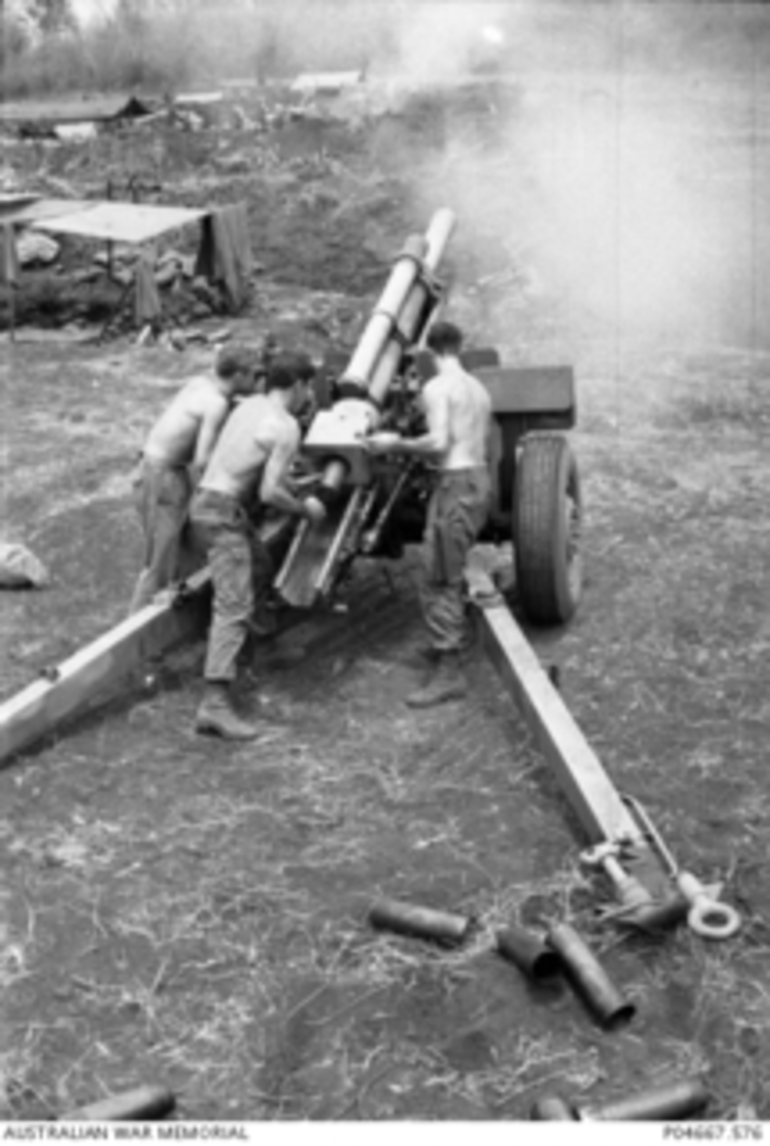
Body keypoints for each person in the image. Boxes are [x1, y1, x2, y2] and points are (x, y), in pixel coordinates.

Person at [190, 354, 326, 740]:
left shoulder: (248, 405)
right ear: (298, 386)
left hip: (206, 503)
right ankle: (214, 705)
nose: (308, 398)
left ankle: (259, 647)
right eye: (307, 390)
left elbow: (245, 465)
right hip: (223, 514)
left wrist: (293, 486)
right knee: (233, 605)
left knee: (261, 563)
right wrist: (305, 509)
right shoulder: (285, 427)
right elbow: (269, 492)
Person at [367, 320, 492, 708]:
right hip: (476, 480)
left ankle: (449, 670)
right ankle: (448, 646)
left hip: (454, 483)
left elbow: (439, 443)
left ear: (429, 351)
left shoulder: (437, 387)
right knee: (448, 567)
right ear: (459, 346)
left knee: (439, 576)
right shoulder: (479, 389)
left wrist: (394, 442)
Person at [128, 343, 258, 615]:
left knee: (183, 547)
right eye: (253, 375)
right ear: (238, 376)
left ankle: (175, 608)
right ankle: (135, 634)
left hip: (154, 469)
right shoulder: (217, 404)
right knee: (159, 562)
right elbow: (202, 460)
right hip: (163, 479)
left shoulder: (201, 383)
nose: (257, 380)